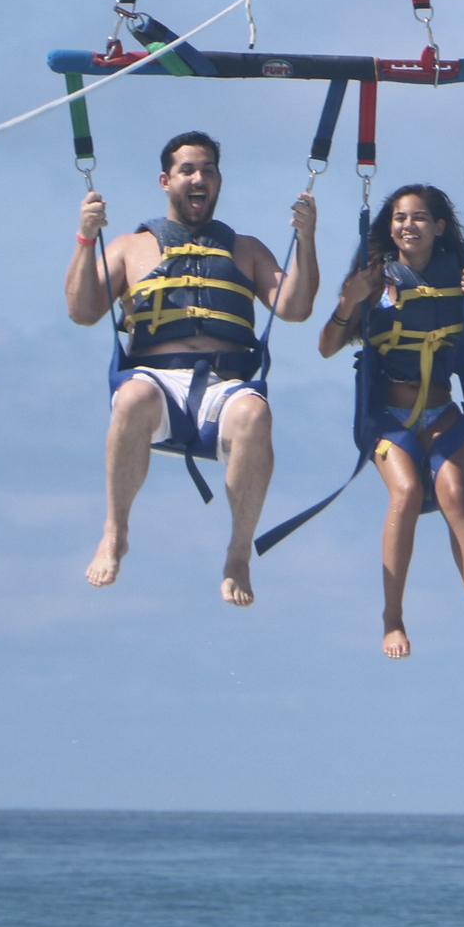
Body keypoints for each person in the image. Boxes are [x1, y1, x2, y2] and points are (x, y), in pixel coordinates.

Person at [66, 130, 318, 605]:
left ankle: (239, 552)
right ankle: (115, 531)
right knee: (133, 397)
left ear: (219, 180)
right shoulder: (128, 247)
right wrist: (86, 239)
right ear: (166, 181)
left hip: (225, 385)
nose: (199, 178)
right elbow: (82, 311)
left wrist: (306, 240)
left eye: (208, 169)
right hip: (156, 382)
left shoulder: (246, 249)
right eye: (188, 170)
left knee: (256, 415)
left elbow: (296, 307)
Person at [320, 183, 464, 658]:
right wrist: (348, 302)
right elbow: (326, 347)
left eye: (419, 217)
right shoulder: (374, 278)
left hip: (443, 412)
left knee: (455, 493)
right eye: (400, 218)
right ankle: (393, 618)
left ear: (439, 227)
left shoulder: (461, 278)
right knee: (406, 492)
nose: (408, 225)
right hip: (388, 416)